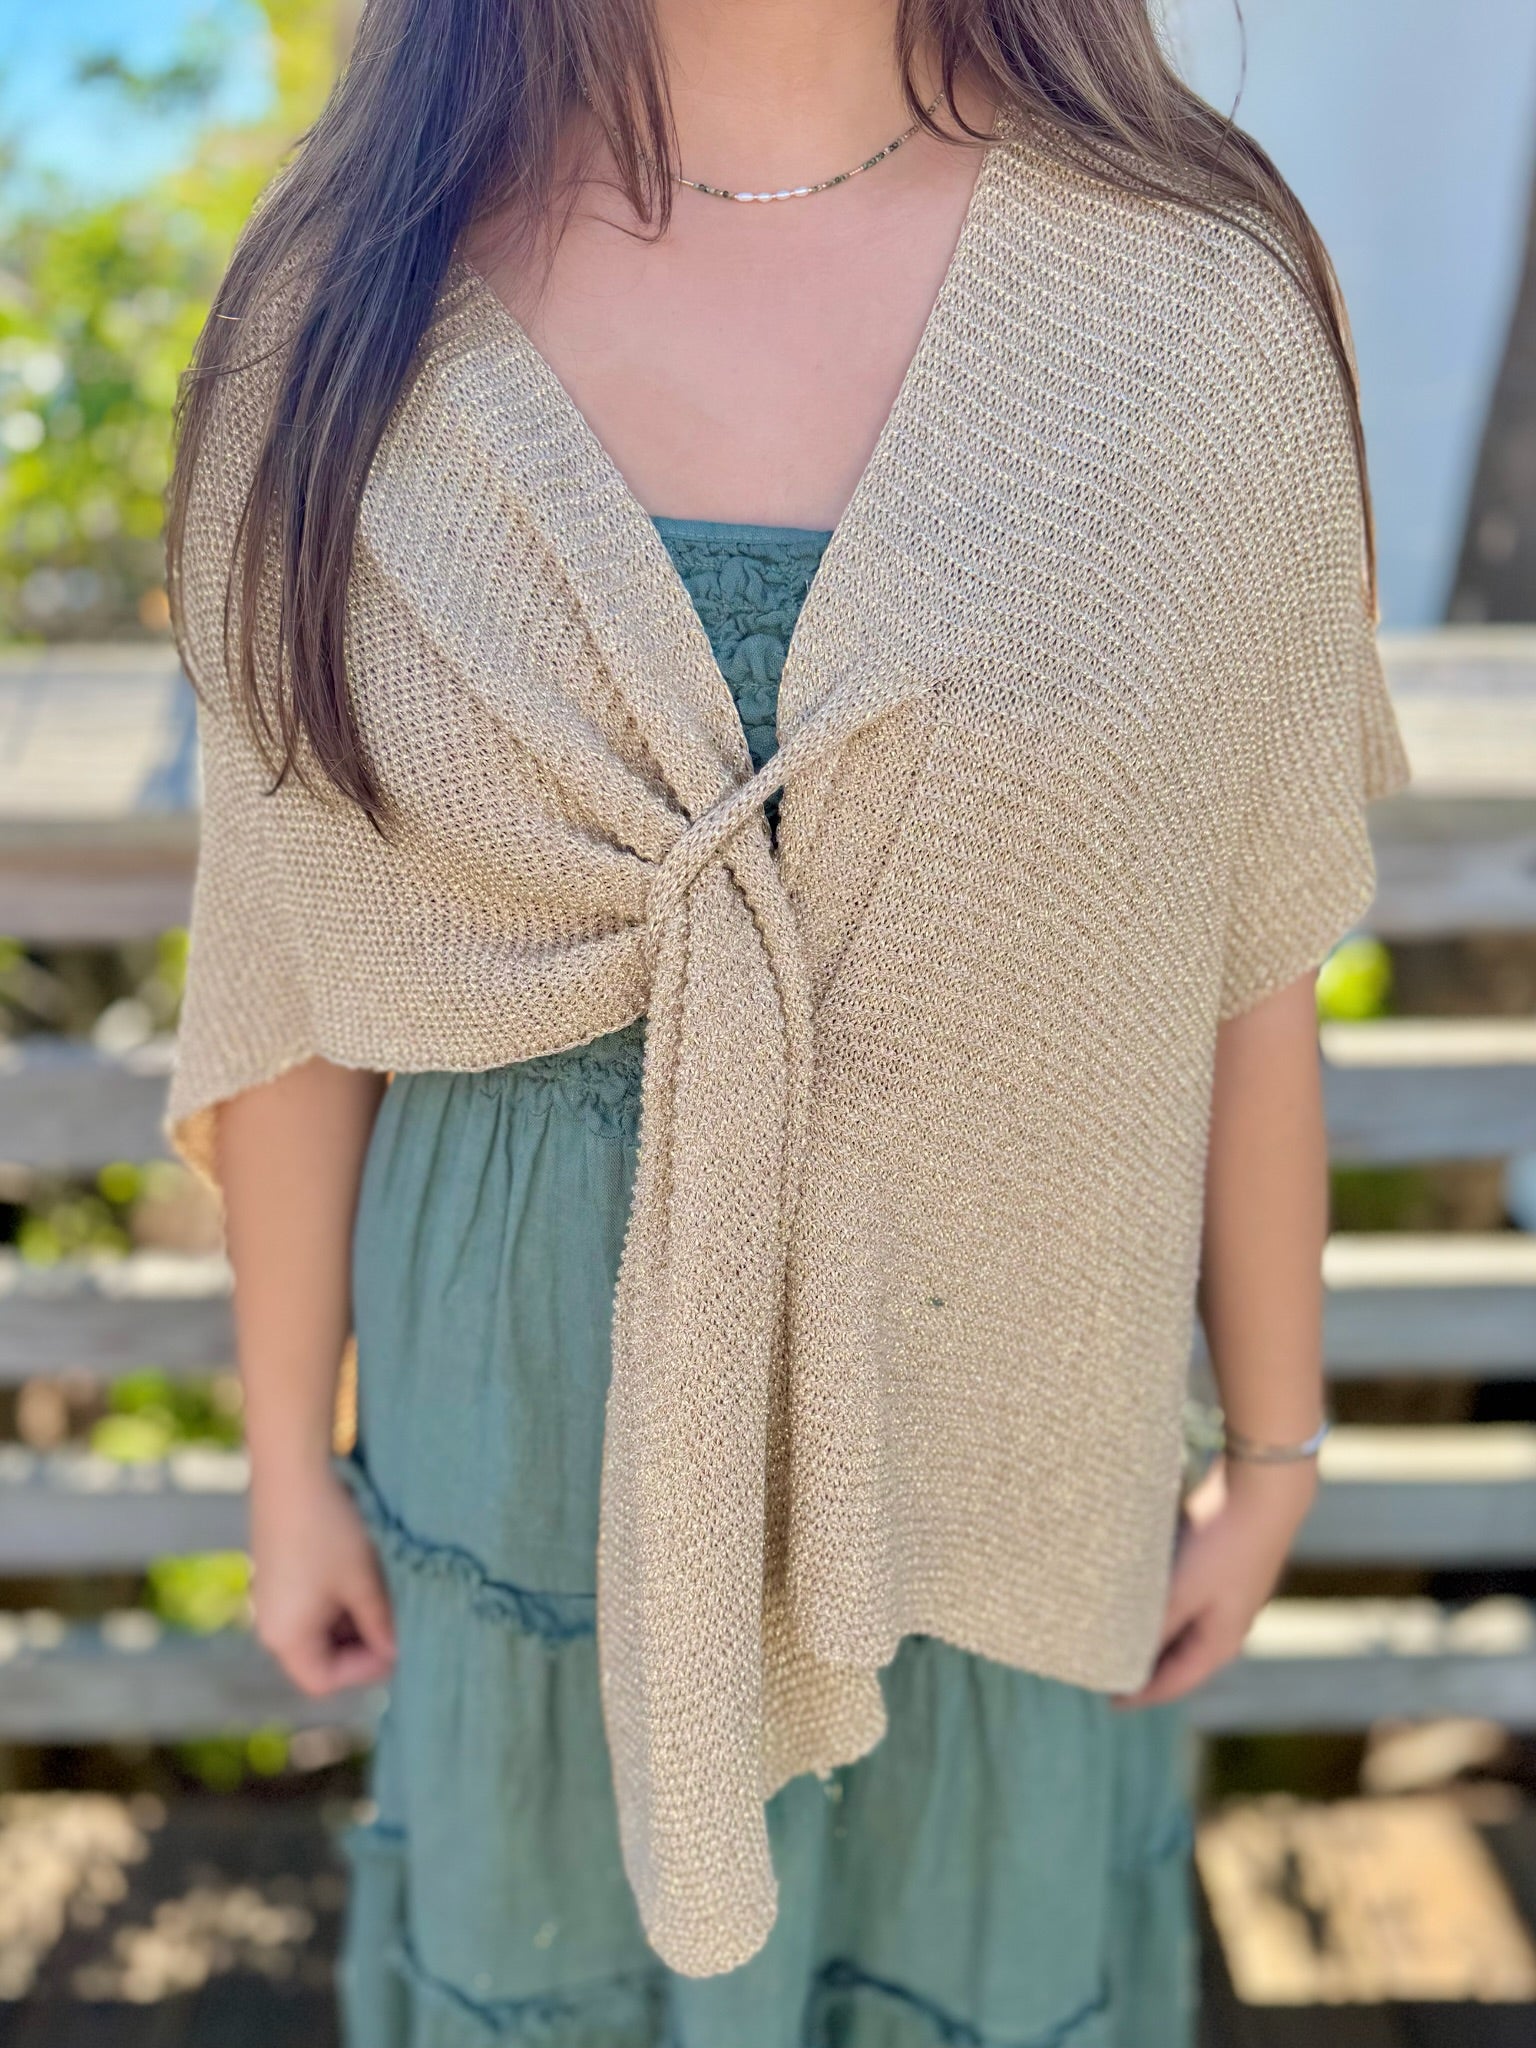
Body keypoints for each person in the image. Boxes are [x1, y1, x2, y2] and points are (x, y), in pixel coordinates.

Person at [164, 1, 1412, 2042]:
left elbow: (1238, 954)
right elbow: (297, 966)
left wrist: (1272, 1448)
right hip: (528, 1410)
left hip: (1007, 1395)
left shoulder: (1192, 300)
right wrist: (289, 1456)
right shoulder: (348, 297)